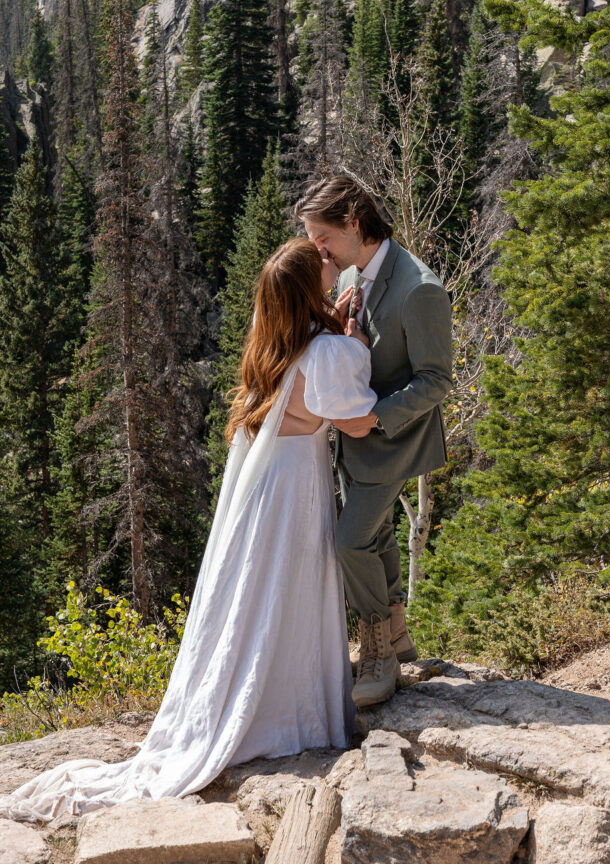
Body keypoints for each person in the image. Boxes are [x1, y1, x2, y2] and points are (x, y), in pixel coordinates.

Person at [0, 238, 376, 825]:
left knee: (262, 594)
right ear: (309, 287)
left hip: (273, 483)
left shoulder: (275, 340)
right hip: (293, 492)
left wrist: (336, 322)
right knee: (288, 589)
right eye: (323, 259)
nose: (333, 258)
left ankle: (270, 697)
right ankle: (285, 711)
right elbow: (356, 420)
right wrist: (355, 342)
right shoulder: (326, 350)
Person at [295, 175, 453, 710]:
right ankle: (401, 637)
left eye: (323, 238)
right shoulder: (352, 278)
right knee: (380, 539)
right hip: (354, 442)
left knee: (350, 542)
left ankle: (378, 651)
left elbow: (436, 380)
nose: (316, 250)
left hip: (392, 440)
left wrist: (374, 420)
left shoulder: (420, 288)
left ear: (355, 225)